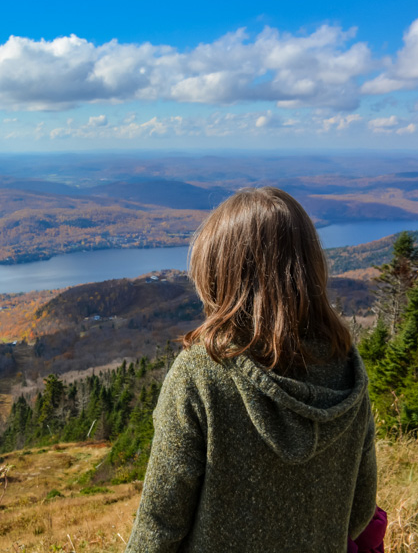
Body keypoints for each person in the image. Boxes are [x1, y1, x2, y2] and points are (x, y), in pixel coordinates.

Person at [125, 187, 377, 552]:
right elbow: (361, 509)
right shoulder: (346, 369)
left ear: (218, 271)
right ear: (310, 267)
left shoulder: (202, 373)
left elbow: (160, 524)